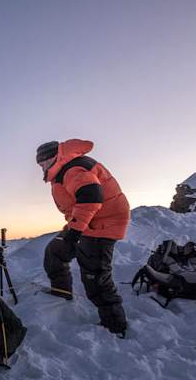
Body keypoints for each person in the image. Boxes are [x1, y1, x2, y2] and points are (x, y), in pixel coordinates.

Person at [36, 139, 130, 337]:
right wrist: (74, 228)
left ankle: (115, 325)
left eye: (42, 163)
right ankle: (62, 294)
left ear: (53, 158)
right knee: (55, 251)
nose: (41, 168)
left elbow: (91, 196)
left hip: (101, 226)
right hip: (85, 224)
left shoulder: (73, 169)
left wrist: (75, 231)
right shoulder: (64, 170)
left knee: (95, 277)